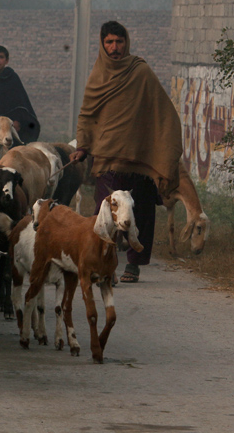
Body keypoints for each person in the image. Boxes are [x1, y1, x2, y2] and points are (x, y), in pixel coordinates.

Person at [70, 21, 183, 283]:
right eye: (109, 42)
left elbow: (162, 111)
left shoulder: (141, 71)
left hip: (137, 158)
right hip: (106, 158)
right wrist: (82, 146)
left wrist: (163, 149)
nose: (114, 47)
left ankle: (134, 264)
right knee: (105, 213)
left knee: (139, 211)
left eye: (119, 42)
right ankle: (104, 265)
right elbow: (87, 113)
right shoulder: (97, 75)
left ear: (126, 43)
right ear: (102, 44)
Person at [0, 45, 41, 143]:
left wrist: (16, 120)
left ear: (6, 61)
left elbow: (20, 102)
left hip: (10, 122)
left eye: (1, 57)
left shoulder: (12, 78)